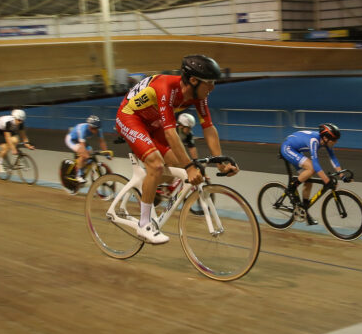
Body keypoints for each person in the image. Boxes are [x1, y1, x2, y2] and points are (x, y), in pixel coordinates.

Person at [114, 54, 237, 244]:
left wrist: (219, 160)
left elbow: (208, 127)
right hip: (130, 118)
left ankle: (147, 188)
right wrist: (189, 166)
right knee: (156, 165)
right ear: (194, 81)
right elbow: (171, 134)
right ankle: (144, 224)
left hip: (153, 124)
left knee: (173, 170)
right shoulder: (166, 88)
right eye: (210, 82)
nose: (213, 87)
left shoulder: (199, 96)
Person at [280, 123, 345, 225]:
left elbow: (333, 158)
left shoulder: (325, 142)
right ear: (325, 138)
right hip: (287, 148)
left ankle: (304, 211)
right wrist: (327, 181)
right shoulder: (314, 141)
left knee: (309, 181)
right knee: (311, 168)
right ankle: (292, 188)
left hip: (296, 150)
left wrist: (342, 175)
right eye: (334, 139)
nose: (336, 142)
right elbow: (315, 164)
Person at [63, 115, 110, 193]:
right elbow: (82, 146)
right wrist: (86, 155)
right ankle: (79, 175)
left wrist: (106, 153)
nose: (95, 131)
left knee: (90, 151)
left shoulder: (98, 130)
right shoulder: (83, 129)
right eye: (93, 128)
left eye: (96, 128)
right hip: (71, 139)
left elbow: (102, 141)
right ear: (89, 126)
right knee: (84, 154)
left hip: (80, 140)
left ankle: (81, 166)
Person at [0, 108, 34, 173]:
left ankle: (17, 158)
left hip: (9, 130)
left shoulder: (20, 122)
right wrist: (13, 149)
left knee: (16, 140)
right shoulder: (9, 123)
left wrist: (28, 145)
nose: (20, 122)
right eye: (19, 120)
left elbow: (23, 136)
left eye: (22, 120)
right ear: (14, 118)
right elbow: (8, 138)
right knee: (5, 147)